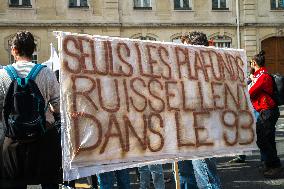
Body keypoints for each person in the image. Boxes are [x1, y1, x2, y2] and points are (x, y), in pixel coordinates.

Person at [0, 31, 61, 189]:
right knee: (49, 182)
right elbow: (57, 105)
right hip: (44, 136)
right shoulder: (46, 72)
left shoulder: (2, 75)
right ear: (34, 50)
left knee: (14, 183)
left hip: (13, 139)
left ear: (13, 50)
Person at [177, 31, 222, 189]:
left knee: (206, 177)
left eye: (186, 48)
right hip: (183, 130)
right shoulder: (184, 70)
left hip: (202, 132)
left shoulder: (208, 69)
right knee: (187, 174)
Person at [248, 50, 282, 178]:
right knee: (268, 139)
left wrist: (252, 79)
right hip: (266, 111)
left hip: (267, 111)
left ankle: (275, 165)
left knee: (262, 139)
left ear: (254, 62)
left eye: (251, 63)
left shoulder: (262, 76)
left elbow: (251, 91)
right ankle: (270, 164)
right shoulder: (259, 75)